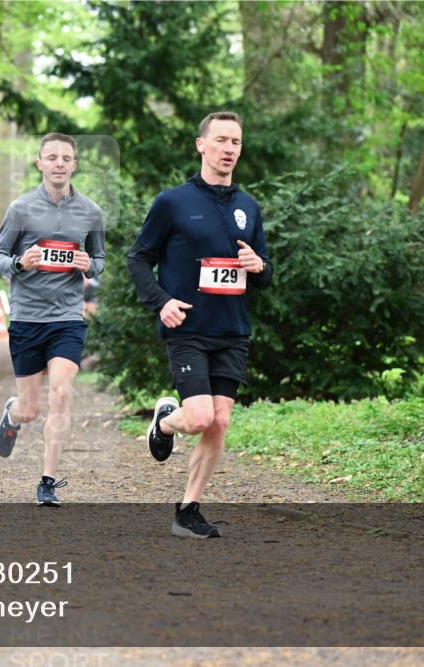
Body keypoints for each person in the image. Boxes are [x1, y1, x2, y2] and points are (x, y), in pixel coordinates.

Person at [127, 111, 272, 538]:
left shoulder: (248, 207)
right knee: (198, 419)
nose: (229, 149)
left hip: (232, 330)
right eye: (222, 140)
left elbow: (264, 274)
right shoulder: (173, 202)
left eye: (236, 143)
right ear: (201, 145)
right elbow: (138, 258)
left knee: (220, 421)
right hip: (188, 326)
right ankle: (166, 421)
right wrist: (161, 302)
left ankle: (187, 510)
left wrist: (259, 264)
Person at [0, 133, 106, 507]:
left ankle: (48, 481)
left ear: (74, 165)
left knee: (60, 393)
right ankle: (13, 414)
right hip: (27, 318)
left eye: (66, 158)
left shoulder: (91, 212)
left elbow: (101, 259)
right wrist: (20, 263)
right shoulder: (20, 210)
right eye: (51, 157)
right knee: (32, 408)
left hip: (67, 318)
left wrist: (91, 265)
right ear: (40, 163)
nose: (59, 163)